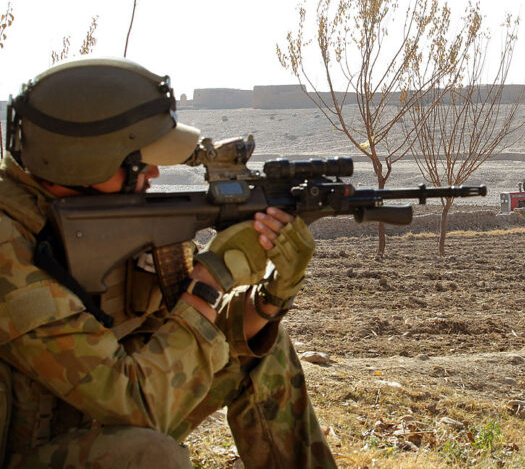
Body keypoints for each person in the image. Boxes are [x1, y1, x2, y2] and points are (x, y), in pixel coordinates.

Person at [0, 57, 336, 468]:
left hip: (91, 421)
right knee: (150, 456)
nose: (156, 171)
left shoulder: (108, 217)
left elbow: (193, 330)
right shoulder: (10, 252)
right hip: (32, 449)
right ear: (85, 163)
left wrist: (272, 296)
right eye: (140, 161)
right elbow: (135, 404)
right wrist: (213, 278)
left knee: (260, 347)